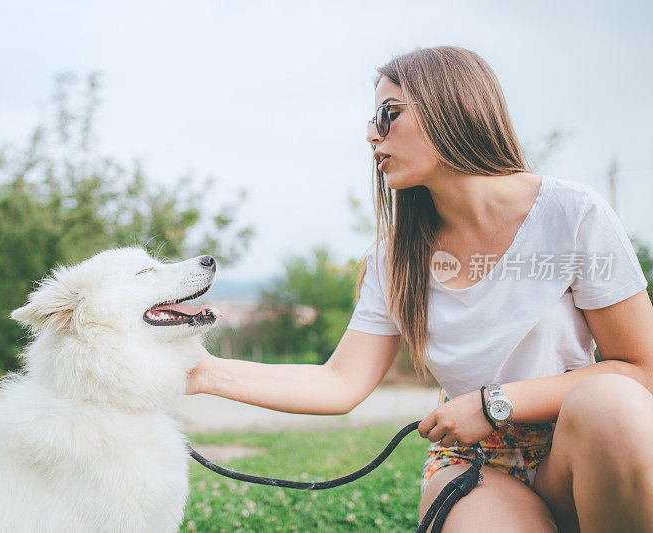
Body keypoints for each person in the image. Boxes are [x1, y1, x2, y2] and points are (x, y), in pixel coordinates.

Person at [185, 45, 653, 532]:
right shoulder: (393, 257)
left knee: (613, 403)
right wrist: (204, 373)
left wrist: (494, 402)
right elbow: (339, 382)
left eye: (388, 115)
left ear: (450, 107)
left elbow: (641, 372)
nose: (371, 134)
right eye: (372, 120)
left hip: (579, 445)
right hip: (476, 464)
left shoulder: (573, 213)